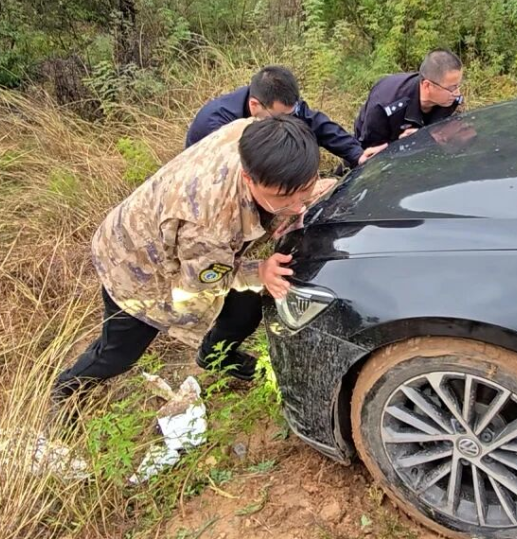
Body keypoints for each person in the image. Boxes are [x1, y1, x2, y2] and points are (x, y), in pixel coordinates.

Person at [53, 115, 321, 405]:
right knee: (119, 353)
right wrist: (260, 271)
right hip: (133, 265)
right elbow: (201, 283)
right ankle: (66, 390)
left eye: (305, 188)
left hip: (174, 233)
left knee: (247, 305)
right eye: (283, 197)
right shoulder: (210, 224)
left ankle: (216, 355)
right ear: (248, 178)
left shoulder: (261, 136)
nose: (297, 206)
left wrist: (295, 204)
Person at [186, 65, 386, 166]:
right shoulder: (216, 125)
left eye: (291, 114)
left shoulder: (278, 103)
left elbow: (318, 125)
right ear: (254, 105)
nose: (288, 121)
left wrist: (357, 154)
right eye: (281, 116)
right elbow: (236, 175)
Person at [354, 50, 464, 148]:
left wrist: (426, 137)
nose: (457, 93)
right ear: (427, 85)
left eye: (458, 86)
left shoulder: (451, 100)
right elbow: (370, 150)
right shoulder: (385, 105)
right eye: (452, 88)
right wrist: (405, 143)